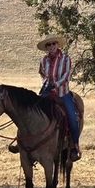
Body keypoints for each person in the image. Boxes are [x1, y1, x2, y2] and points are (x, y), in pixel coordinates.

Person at [37, 33, 81, 161]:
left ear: (57, 45)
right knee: (32, 111)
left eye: (53, 44)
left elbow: (66, 76)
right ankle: (25, 141)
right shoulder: (43, 60)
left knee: (72, 117)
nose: (51, 46)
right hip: (47, 92)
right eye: (48, 45)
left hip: (62, 92)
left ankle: (75, 146)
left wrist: (55, 84)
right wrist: (46, 83)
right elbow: (42, 74)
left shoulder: (65, 58)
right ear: (46, 48)